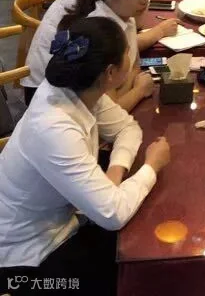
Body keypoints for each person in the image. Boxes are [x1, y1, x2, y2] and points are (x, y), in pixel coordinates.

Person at [0, 16, 170, 296]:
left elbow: (128, 128)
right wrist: (152, 165)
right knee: (139, 270)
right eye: (127, 52)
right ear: (111, 72)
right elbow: (113, 214)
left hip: (64, 223)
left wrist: (115, 171)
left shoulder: (80, 90)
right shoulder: (54, 127)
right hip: (25, 259)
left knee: (141, 242)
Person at [23, 0, 175, 109]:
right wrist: (139, 90)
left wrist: (125, 87)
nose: (145, 1)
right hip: (59, 107)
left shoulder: (124, 15)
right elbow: (108, 111)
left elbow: (134, 66)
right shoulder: (99, 31)